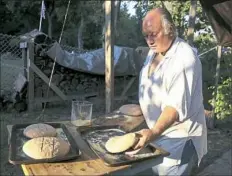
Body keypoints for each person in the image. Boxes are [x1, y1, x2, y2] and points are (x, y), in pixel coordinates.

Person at [134, 8, 207, 175]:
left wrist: (152, 132)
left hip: (180, 140)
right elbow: (153, 89)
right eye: (146, 35)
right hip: (160, 135)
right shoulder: (154, 52)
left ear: (170, 30)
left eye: (153, 34)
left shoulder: (184, 58)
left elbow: (173, 108)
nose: (149, 40)